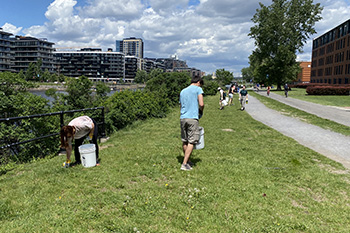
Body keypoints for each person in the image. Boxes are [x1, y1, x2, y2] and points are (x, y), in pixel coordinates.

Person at [179, 76, 204, 171]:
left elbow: (181, 105)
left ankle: (188, 160)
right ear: (198, 82)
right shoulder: (198, 89)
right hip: (192, 117)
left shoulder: (183, 91)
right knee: (192, 141)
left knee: (185, 140)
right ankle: (184, 164)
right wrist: (201, 111)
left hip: (183, 117)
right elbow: (201, 104)